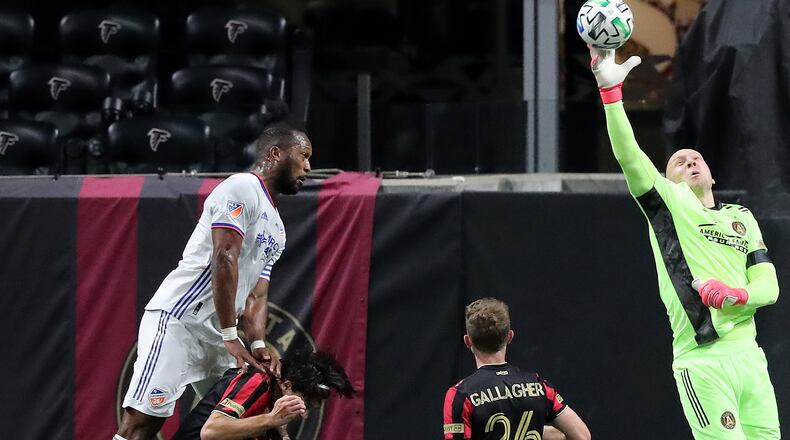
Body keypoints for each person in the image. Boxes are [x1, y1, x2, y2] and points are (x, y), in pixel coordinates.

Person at [589, 46, 781, 439]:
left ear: (711, 176)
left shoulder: (740, 217)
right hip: (703, 360)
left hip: (750, 358)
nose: (691, 162)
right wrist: (612, 96)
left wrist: (736, 294)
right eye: (679, 161)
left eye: (697, 159)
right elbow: (630, 157)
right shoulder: (667, 204)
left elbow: (770, 286)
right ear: (666, 179)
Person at [115, 124, 313, 440]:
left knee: (244, 423)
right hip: (181, 321)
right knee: (141, 425)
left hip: (219, 335)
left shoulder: (277, 229)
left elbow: (256, 295)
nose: (308, 167)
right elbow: (224, 257)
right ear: (276, 154)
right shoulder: (242, 187)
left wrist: (259, 343)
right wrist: (231, 334)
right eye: (303, 156)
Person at [443, 298, 591, 440]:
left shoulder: (461, 396)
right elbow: (583, 436)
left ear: (468, 341)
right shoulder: (539, 387)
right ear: (510, 336)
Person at [173, 350, 355, 440]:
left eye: (311, 408)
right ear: (286, 386)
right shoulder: (258, 381)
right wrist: (270, 420)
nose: (304, 413)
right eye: (305, 403)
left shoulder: (275, 412)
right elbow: (210, 431)